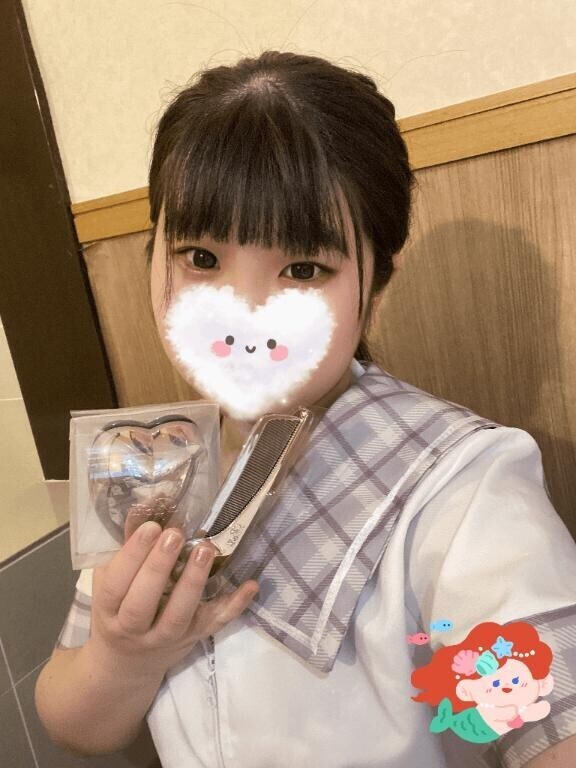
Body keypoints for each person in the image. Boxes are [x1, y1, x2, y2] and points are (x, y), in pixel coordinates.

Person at [35, 50, 576, 768]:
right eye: (200, 259)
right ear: (152, 253)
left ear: (376, 286)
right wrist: (124, 655)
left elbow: (548, 721)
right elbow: (72, 721)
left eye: (303, 270)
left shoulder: (458, 487)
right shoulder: (150, 466)